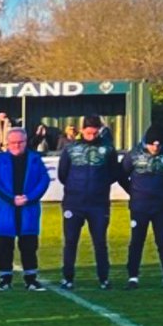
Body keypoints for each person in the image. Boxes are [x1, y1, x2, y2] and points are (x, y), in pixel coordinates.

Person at [57, 114, 120, 289]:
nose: (91, 136)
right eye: (88, 132)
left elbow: (114, 173)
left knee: (100, 242)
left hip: (98, 204)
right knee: (70, 242)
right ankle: (68, 278)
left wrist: (99, 186)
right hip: (73, 203)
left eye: (94, 133)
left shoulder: (108, 149)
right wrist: (74, 188)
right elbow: (63, 174)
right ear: (82, 130)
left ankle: (103, 278)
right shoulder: (70, 149)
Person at [119, 125, 163, 289]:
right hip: (139, 207)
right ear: (146, 143)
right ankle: (133, 277)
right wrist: (133, 192)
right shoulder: (134, 155)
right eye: (152, 144)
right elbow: (121, 175)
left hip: (162, 207)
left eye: (158, 145)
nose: (155, 148)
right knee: (136, 241)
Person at [0, 127, 50, 291]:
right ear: (8, 143)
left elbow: (43, 181)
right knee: (4, 245)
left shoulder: (35, 159)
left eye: (20, 142)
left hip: (28, 209)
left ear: (25, 142)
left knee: (29, 245)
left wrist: (29, 198)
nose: (17, 145)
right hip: (5, 209)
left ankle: (31, 279)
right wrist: (11, 198)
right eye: (13, 142)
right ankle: (4, 279)